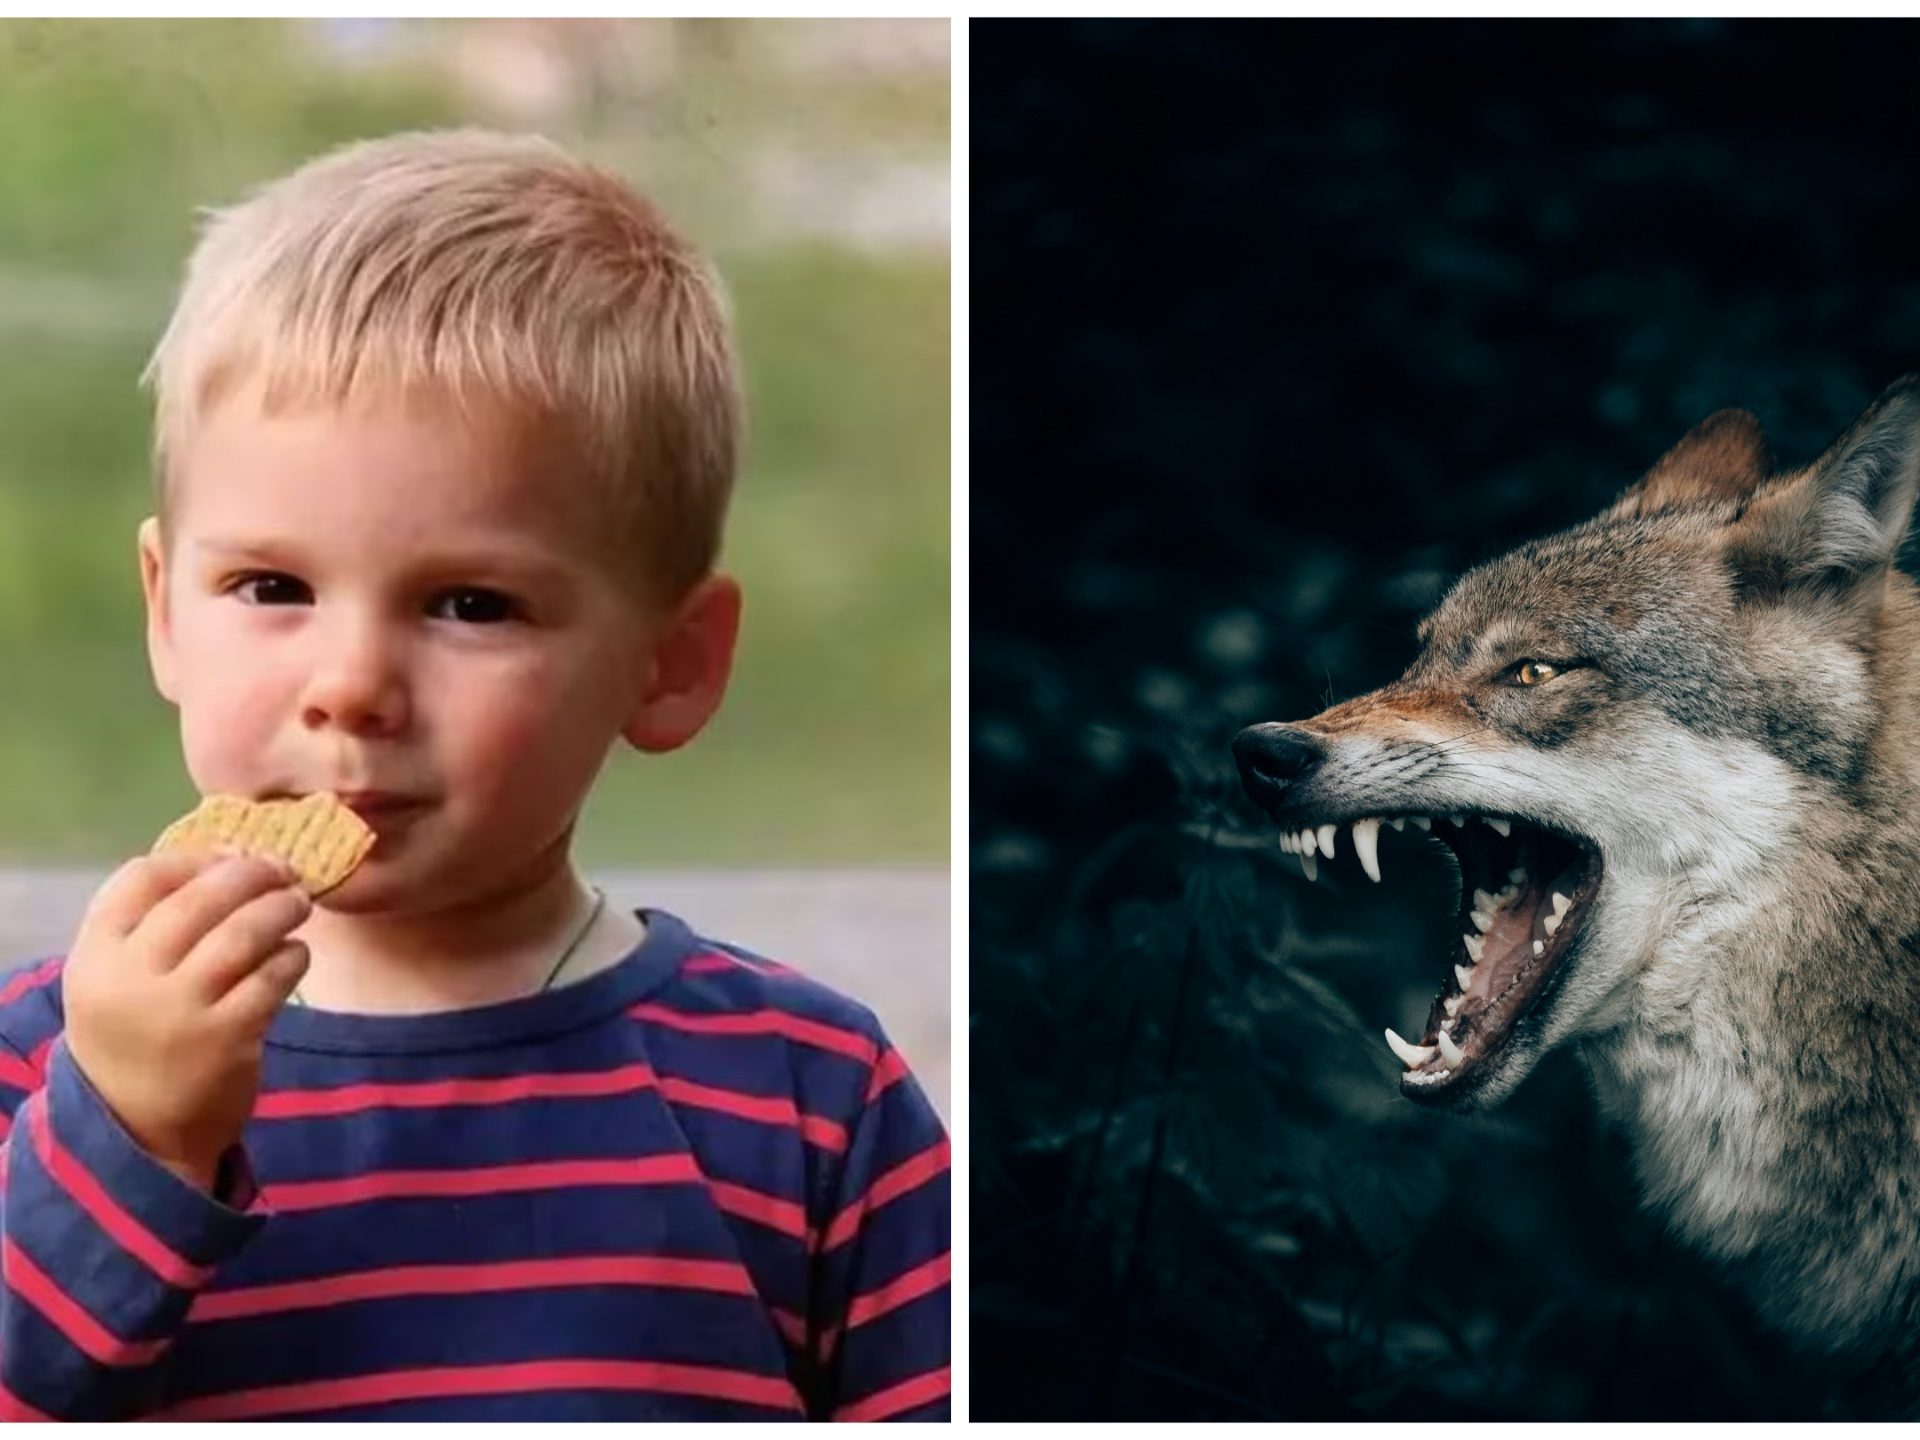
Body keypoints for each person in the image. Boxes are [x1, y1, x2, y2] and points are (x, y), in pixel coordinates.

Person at [0, 129, 949, 1421]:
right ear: (166, 612)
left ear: (667, 666)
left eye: (469, 603)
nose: (350, 683)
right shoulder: (43, 1065)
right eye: (272, 586)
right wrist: (131, 1141)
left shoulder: (808, 1095)